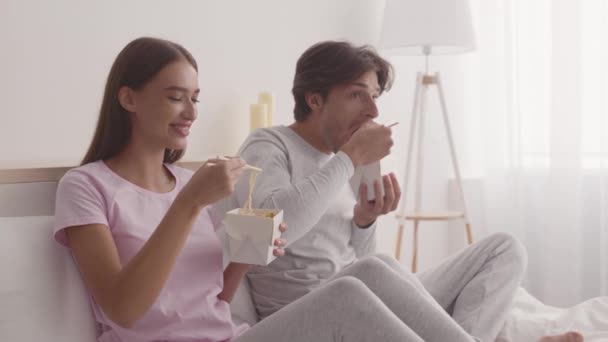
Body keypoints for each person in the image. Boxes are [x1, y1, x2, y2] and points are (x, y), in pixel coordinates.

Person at [54, 37, 498, 342]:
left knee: (371, 271)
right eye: (175, 96)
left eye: (195, 97)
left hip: (231, 336)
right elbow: (123, 308)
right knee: (346, 294)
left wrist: (246, 257)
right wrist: (190, 205)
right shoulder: (86, 186)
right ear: (128, 97)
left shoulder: (189, 183)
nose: (191, 111)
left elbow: (213, 301)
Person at [217, 40, 584, 342]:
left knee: (503, 249)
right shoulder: (268, 144)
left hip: (362, 293)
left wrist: (364, 221)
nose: (373, 109)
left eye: (375, 96)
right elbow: (272, 224)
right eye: (358, 95)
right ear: (315, 99)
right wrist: (349, 157)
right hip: (305, 310)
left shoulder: (345, 157)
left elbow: (359, 258)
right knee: (373, 271)